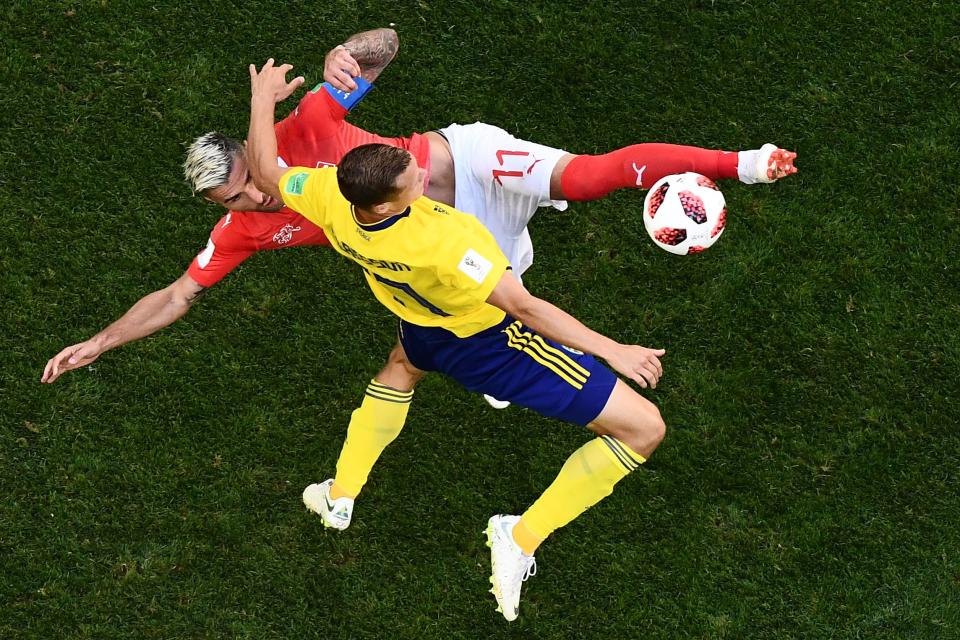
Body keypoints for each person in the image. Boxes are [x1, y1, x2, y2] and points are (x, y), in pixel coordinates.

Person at [41, 27, 796, 387]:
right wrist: (101, 343)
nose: (250, 195)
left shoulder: (305, 126)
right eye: (230, 197)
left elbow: (388, 43)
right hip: (450, 236)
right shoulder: (246, 225)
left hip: (461, 160)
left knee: (592, 178)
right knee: (509, 304)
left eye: (246, 177)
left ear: (252, 145)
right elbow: (178, 293)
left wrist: (348, 54)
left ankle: (745, 163)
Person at [246, 58, 670, 622]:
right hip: (489, 345)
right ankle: (518, 537)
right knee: (643, 429)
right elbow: (523, 306)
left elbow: (268, 171)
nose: (422, 172)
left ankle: (339, 495)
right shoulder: (447, 240)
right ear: (389, 204)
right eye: (411, 178)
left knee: (400, 369)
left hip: (418, 324)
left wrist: (261, 99)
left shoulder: (331, 197)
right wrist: (613, 351)